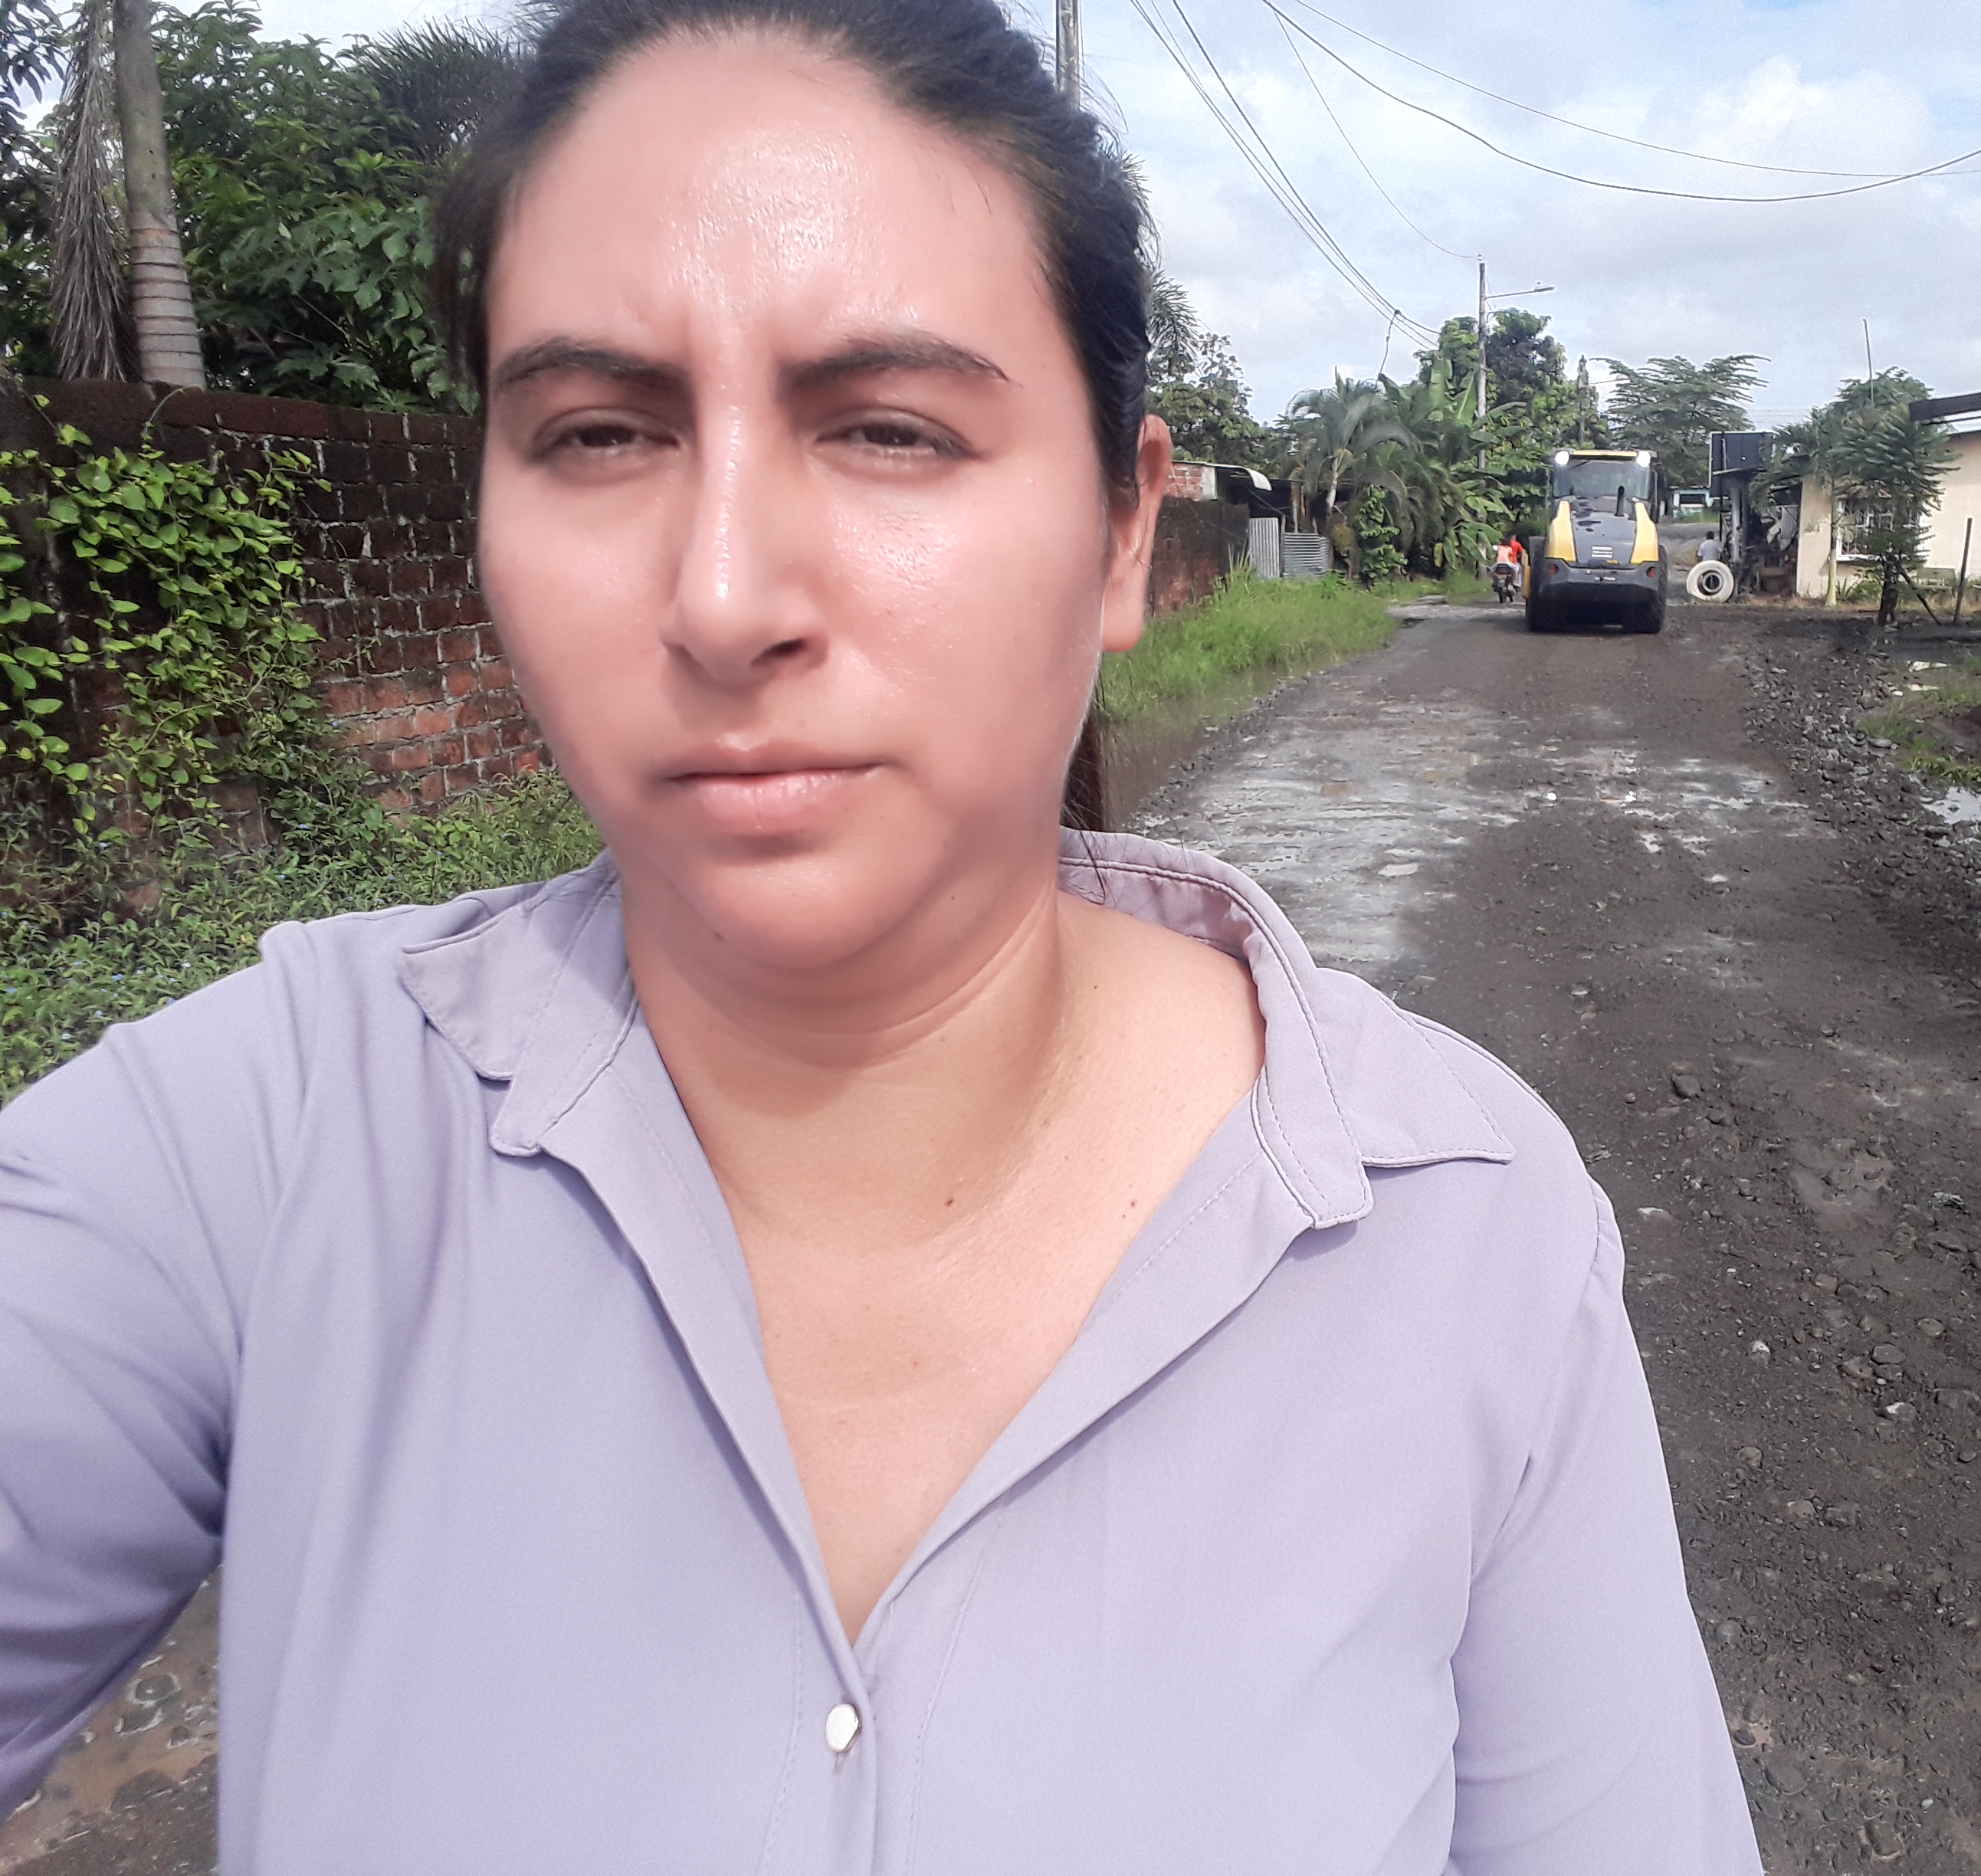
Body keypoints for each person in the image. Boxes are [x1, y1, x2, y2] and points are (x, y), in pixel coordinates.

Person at [0, 1, 1761, 1869]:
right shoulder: (256, 1153)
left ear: (1121, 527)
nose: (724, 597)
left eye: (892, 431)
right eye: (598, 434)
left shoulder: (1463, 1233)